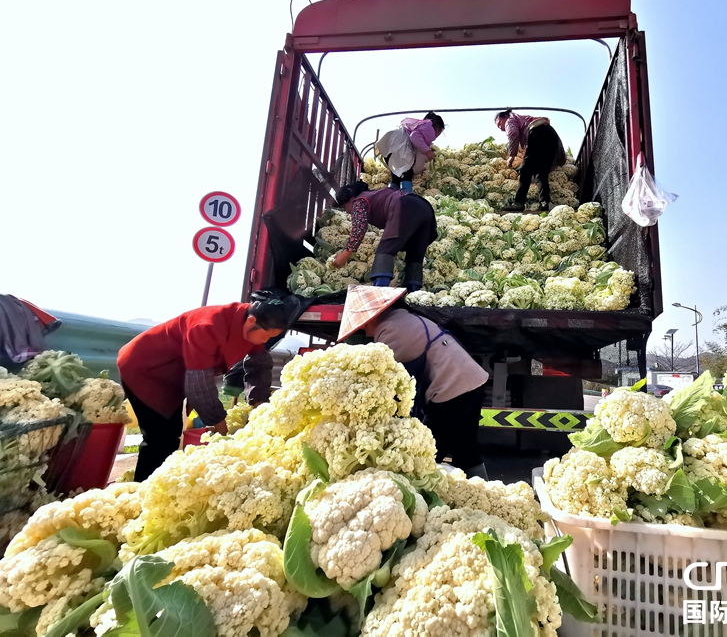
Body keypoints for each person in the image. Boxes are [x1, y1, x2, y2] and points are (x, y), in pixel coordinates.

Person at [117, 297, 304, 480]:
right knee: (162, 438)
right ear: (251, 321)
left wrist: (259, 404)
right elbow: (199, 385)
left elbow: (259, 364)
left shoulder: (254, 327)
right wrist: (223, 431)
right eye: (265, 335)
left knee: (170, 435)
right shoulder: (206, 327)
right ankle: (142, 492)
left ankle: (156, 483)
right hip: (145, 368)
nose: (265, 340)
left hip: (175, 372)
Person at [337, 285, 490, 479]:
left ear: (374, 316)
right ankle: (483, 492)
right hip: (471, 382)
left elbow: (385, 378)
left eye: (364, 324)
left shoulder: (393, 329)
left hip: (452, 389)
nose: (364, 330)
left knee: (427, 454)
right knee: (465, 448)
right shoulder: (403, 319)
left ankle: (429, 501)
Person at [331, 180, 437, 291]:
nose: (347, 211)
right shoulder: (374, 194)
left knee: (384, 251)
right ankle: (413, 292)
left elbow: (359, 229)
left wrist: (344, 255)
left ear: (351, 199)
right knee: (414, 255)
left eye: (344, 206)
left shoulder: (359, 201)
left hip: (404, 207)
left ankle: (379, 290)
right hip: (425, 208)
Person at [494, 109, 565, 212]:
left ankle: (518, 203)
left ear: (504, 117)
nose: (500, 128)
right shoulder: (523, 120)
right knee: (541, 173)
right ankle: (544, 203)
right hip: (551, 135)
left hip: (538, 134)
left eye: (499, 124)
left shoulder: (510, 119)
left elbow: (513, 133)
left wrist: (512, 156)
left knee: (525, 170)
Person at [375, 112, 445, 193]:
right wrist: (427, 151)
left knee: (396, 176)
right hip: (400, 149)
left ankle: (391, 195)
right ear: (437, 128)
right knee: (407, 173)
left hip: (391, 148)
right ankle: (406, 195)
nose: (435, 137)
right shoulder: (428, 129)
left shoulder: (418, 126)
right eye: (439, 133)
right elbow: (414, 137)